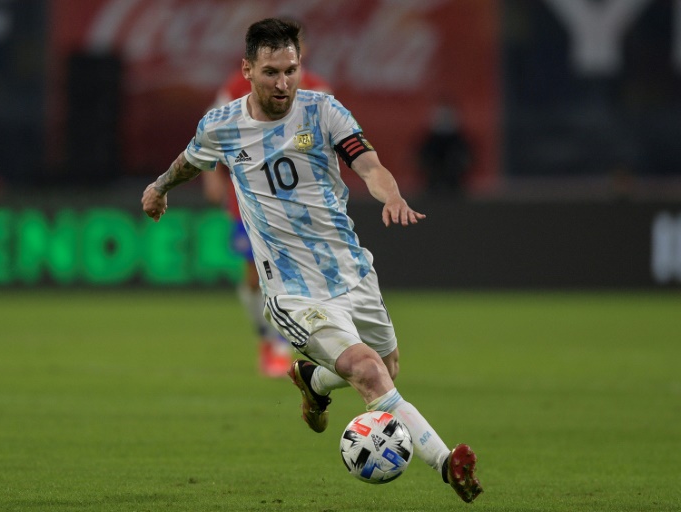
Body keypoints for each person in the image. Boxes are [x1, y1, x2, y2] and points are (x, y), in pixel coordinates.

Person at [142, 18, 483, 503]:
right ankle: (447, 464)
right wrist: (159, 188)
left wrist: (391, 195)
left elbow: (369, 164)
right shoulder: (223, 125)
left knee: (387, 365)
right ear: (247, 70)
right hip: (293, 291)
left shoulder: (324, 110)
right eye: (271, 72)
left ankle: (313, 381)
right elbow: (189, 161)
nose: (283, 83)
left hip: (351, 272)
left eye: (291, 70)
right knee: (367, 370)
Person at [202, 35, 332, 378]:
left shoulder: (317, 88)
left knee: (302, 274)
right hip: (250, 194)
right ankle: (268, 337)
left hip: (300, 200)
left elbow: (333, 138)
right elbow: (213, 127)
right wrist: (211, 173)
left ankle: (296, 342)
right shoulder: (237, 84)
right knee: (253, 276)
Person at [417, 102, 472, 196]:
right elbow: (421, 159)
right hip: (432, 185)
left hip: (455, 184)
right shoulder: (430, 142)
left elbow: (467, 159)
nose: (444, 120)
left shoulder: (458, 141)